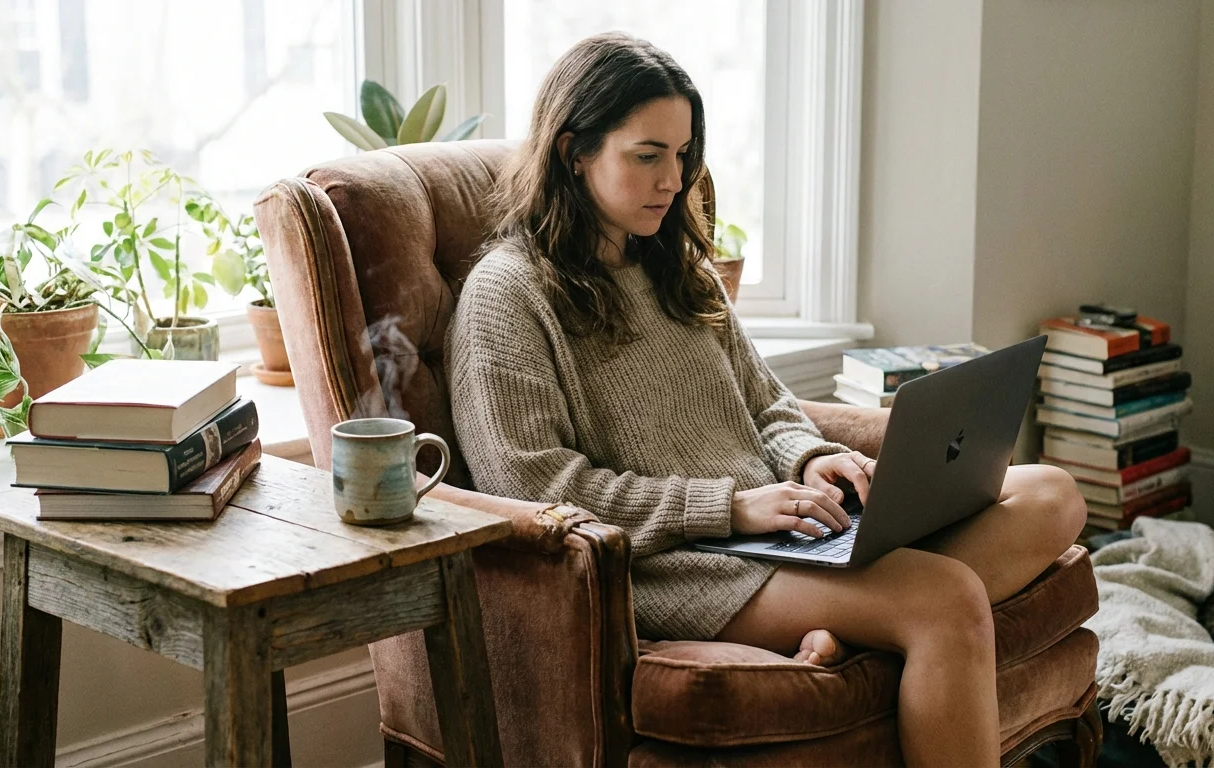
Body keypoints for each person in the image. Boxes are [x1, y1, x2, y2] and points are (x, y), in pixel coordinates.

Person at [445, 31, 1086, 767]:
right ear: (572, 153)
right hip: (680, 565)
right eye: (647, 155)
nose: (672, 180)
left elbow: (768, 403)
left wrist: (812, 459)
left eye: (684, 155)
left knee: (1054, 495)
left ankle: (847, 625)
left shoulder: (676, 266)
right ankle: (865, 616)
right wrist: (728, 508)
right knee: (946, 600)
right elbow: (534, 489)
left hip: (779, 529)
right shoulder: (508, 295)